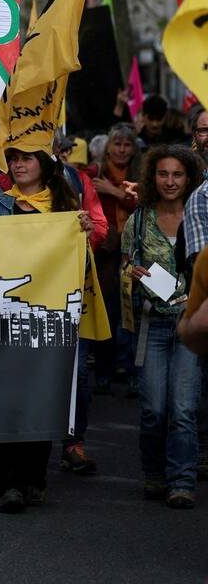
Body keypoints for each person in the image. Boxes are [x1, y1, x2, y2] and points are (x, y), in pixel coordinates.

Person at [0, 146, 94, 513]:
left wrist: (84, 234)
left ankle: (35, 477)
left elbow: (82, 266)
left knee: (41, 399)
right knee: (9, 400)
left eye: (26, 158)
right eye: (13, 159)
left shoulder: (65, 211)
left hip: (47, 323)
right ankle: (10, 484)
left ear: (44, 166)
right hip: (1, 323)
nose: (17, 164)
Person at [121, 145, 202, 508]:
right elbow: (125, 266)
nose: (170, 181)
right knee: (154, 408)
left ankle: (181, 481)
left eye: (178, 175)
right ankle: (153, 474)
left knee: (183, 409)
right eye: (163, 174)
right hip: (152, 324)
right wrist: (132, 275)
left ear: (190, 179)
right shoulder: (139, 220)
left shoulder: (201, 217)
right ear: (152, 177)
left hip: (192, 326)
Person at [91, 123, 142, 395]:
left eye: (127, 145)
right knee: (107, 313)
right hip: (106, 255)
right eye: (117, 144)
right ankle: (103, 372)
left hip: (134, 252)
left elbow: (144, 205)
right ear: (108, 147)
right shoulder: (94, 172)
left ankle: (132, 371)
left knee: (133, 314)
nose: (122, 150)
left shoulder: (141, 174)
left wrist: (115, 192)